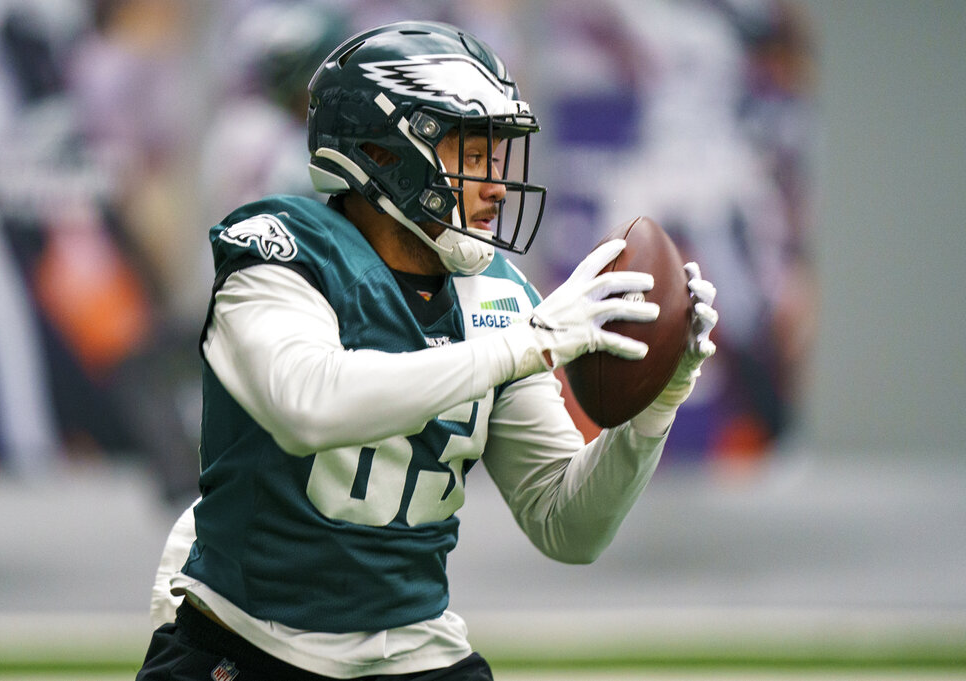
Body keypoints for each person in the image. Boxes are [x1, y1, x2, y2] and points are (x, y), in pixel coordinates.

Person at [137, 20, 718, 681]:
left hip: (418, 650)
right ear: (381, 152)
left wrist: (655, 405)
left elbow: (569, 524)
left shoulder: (498, 295)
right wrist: (525, 345)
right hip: (254, 645)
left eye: (500, 155)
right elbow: (309, 404)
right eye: (472, 153)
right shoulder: (278, 256)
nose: (497, 184)